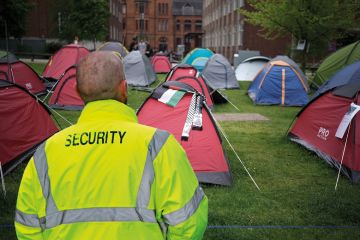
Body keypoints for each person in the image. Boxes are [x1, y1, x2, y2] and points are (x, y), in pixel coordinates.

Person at [14, 51, 208, 239]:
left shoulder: (46, 153)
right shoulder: (159, 146)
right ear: (123, 88)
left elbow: (27, 227)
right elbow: (188, 223)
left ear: (77, 92)